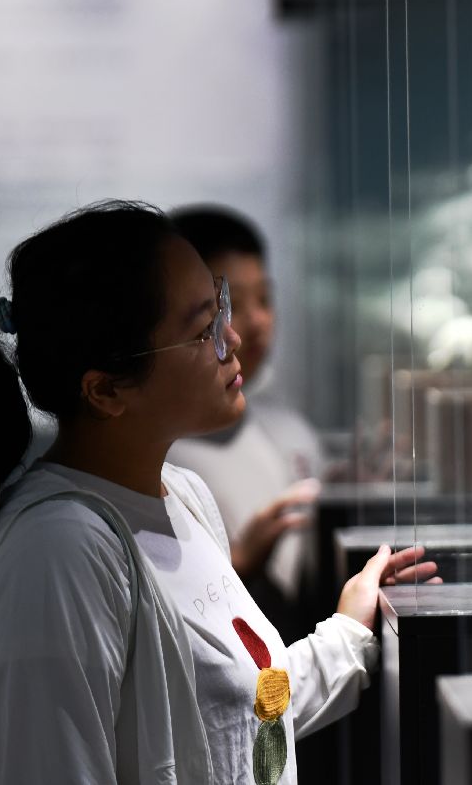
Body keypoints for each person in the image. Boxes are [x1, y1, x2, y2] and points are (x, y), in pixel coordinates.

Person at [0, 200, 436, 784]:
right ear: (106, 390)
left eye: (220, 306)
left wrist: (348, 631)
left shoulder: (182, 496)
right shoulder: (58, 553)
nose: (232, 338)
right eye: (203, 329)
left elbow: (239, 723)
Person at [165, 206, 324, 631]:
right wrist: (237, 564)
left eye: (265, 299)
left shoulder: (289, 431)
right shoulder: (155, 457)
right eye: (216, 314)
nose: (247, 326)